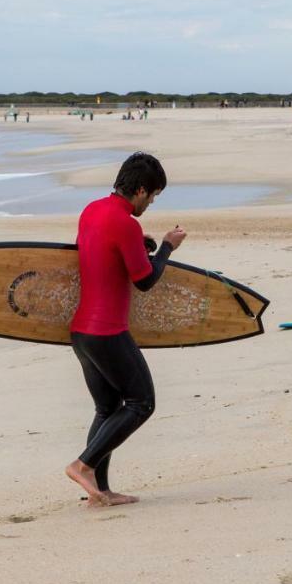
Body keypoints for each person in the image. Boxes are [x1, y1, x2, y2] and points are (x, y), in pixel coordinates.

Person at [64, 153, 186, 507]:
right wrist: (166, 247)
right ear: (141, 190)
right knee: (141, 402)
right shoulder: (126, 224)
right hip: (107, 331)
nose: (150, 204)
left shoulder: (91, 211)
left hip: (81, 333)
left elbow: (105, 252)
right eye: (153, 197)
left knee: (107, 409)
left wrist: (142, 246)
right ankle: (83, 465)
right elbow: (145, 280)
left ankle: (99, 492)